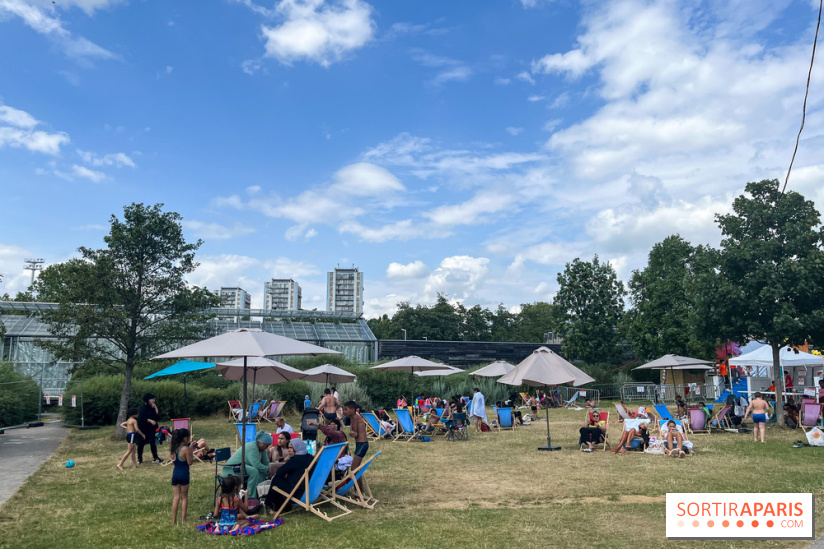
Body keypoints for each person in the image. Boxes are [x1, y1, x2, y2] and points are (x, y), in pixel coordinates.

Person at [264, 439, 313, 514]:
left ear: (297, 448)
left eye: (291, 448)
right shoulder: (310, 457)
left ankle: (275, 507)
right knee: (281, 480)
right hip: (308, 490)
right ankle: (281, 506)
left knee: (276, 479)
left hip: (297, 492)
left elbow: (279, 472)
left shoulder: (295, 460)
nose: (288, 450)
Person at [170, 428, 193, 524]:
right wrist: (191, 450)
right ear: (185, 438)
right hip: (184, 474)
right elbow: (190, 462)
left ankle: (174, 520)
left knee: (176, 498)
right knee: (184, 497)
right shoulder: (186, 449)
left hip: (175, 473)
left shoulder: (173, 449)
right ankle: (183, 519)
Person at [137, 393, 162, 464]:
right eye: (152, 399)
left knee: (153, 443)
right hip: (144, 428)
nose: (154, 400)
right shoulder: (143, 408)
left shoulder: (152, 407)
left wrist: (155, 407)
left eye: (154, 399)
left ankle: (156, 457)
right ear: (148, 400)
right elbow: (140, 418)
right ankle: (140, 459)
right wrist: (149, 420)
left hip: (152, 428)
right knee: (141, 444)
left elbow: (157, 415)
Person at [343, 401, 368, 471]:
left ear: (352, 410)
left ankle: (356, 482)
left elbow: (355, 434)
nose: (344, 411)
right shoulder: (353, 417)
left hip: (362, 444)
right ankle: (357, 482)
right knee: (356, 468)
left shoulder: (355, 418)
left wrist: (350, 433)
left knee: (354, 468)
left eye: (346, 409)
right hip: (361, 444)